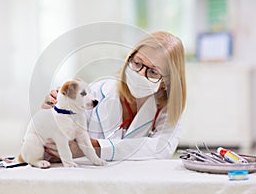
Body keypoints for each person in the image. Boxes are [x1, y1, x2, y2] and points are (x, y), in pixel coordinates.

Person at [42, 31, 186, 161]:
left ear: (165, 82)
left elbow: (161, 148)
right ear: (129, 59)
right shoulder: (97, 92)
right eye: (137, 63)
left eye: (153, 72)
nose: (140, 73)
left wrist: (96, 147)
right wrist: (53, 112)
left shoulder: (169, 108)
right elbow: (62, 132)